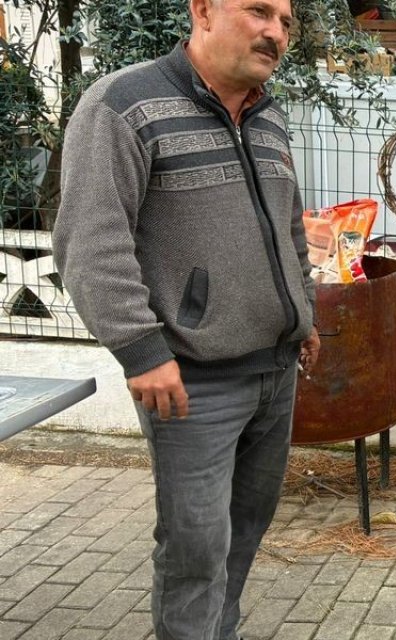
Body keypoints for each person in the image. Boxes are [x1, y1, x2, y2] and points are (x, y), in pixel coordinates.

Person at [52, 0, 319, 637]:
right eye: (259, 12)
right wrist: (140, 349)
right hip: (192, 382)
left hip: (275, 373)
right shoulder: (123, 104)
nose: (275, 32)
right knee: (194, 552)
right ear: (202, 9)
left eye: (284, 21)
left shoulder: (269, 116)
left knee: (243, 538)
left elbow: (289, 231)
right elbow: (90, 241)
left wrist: (303, 317)